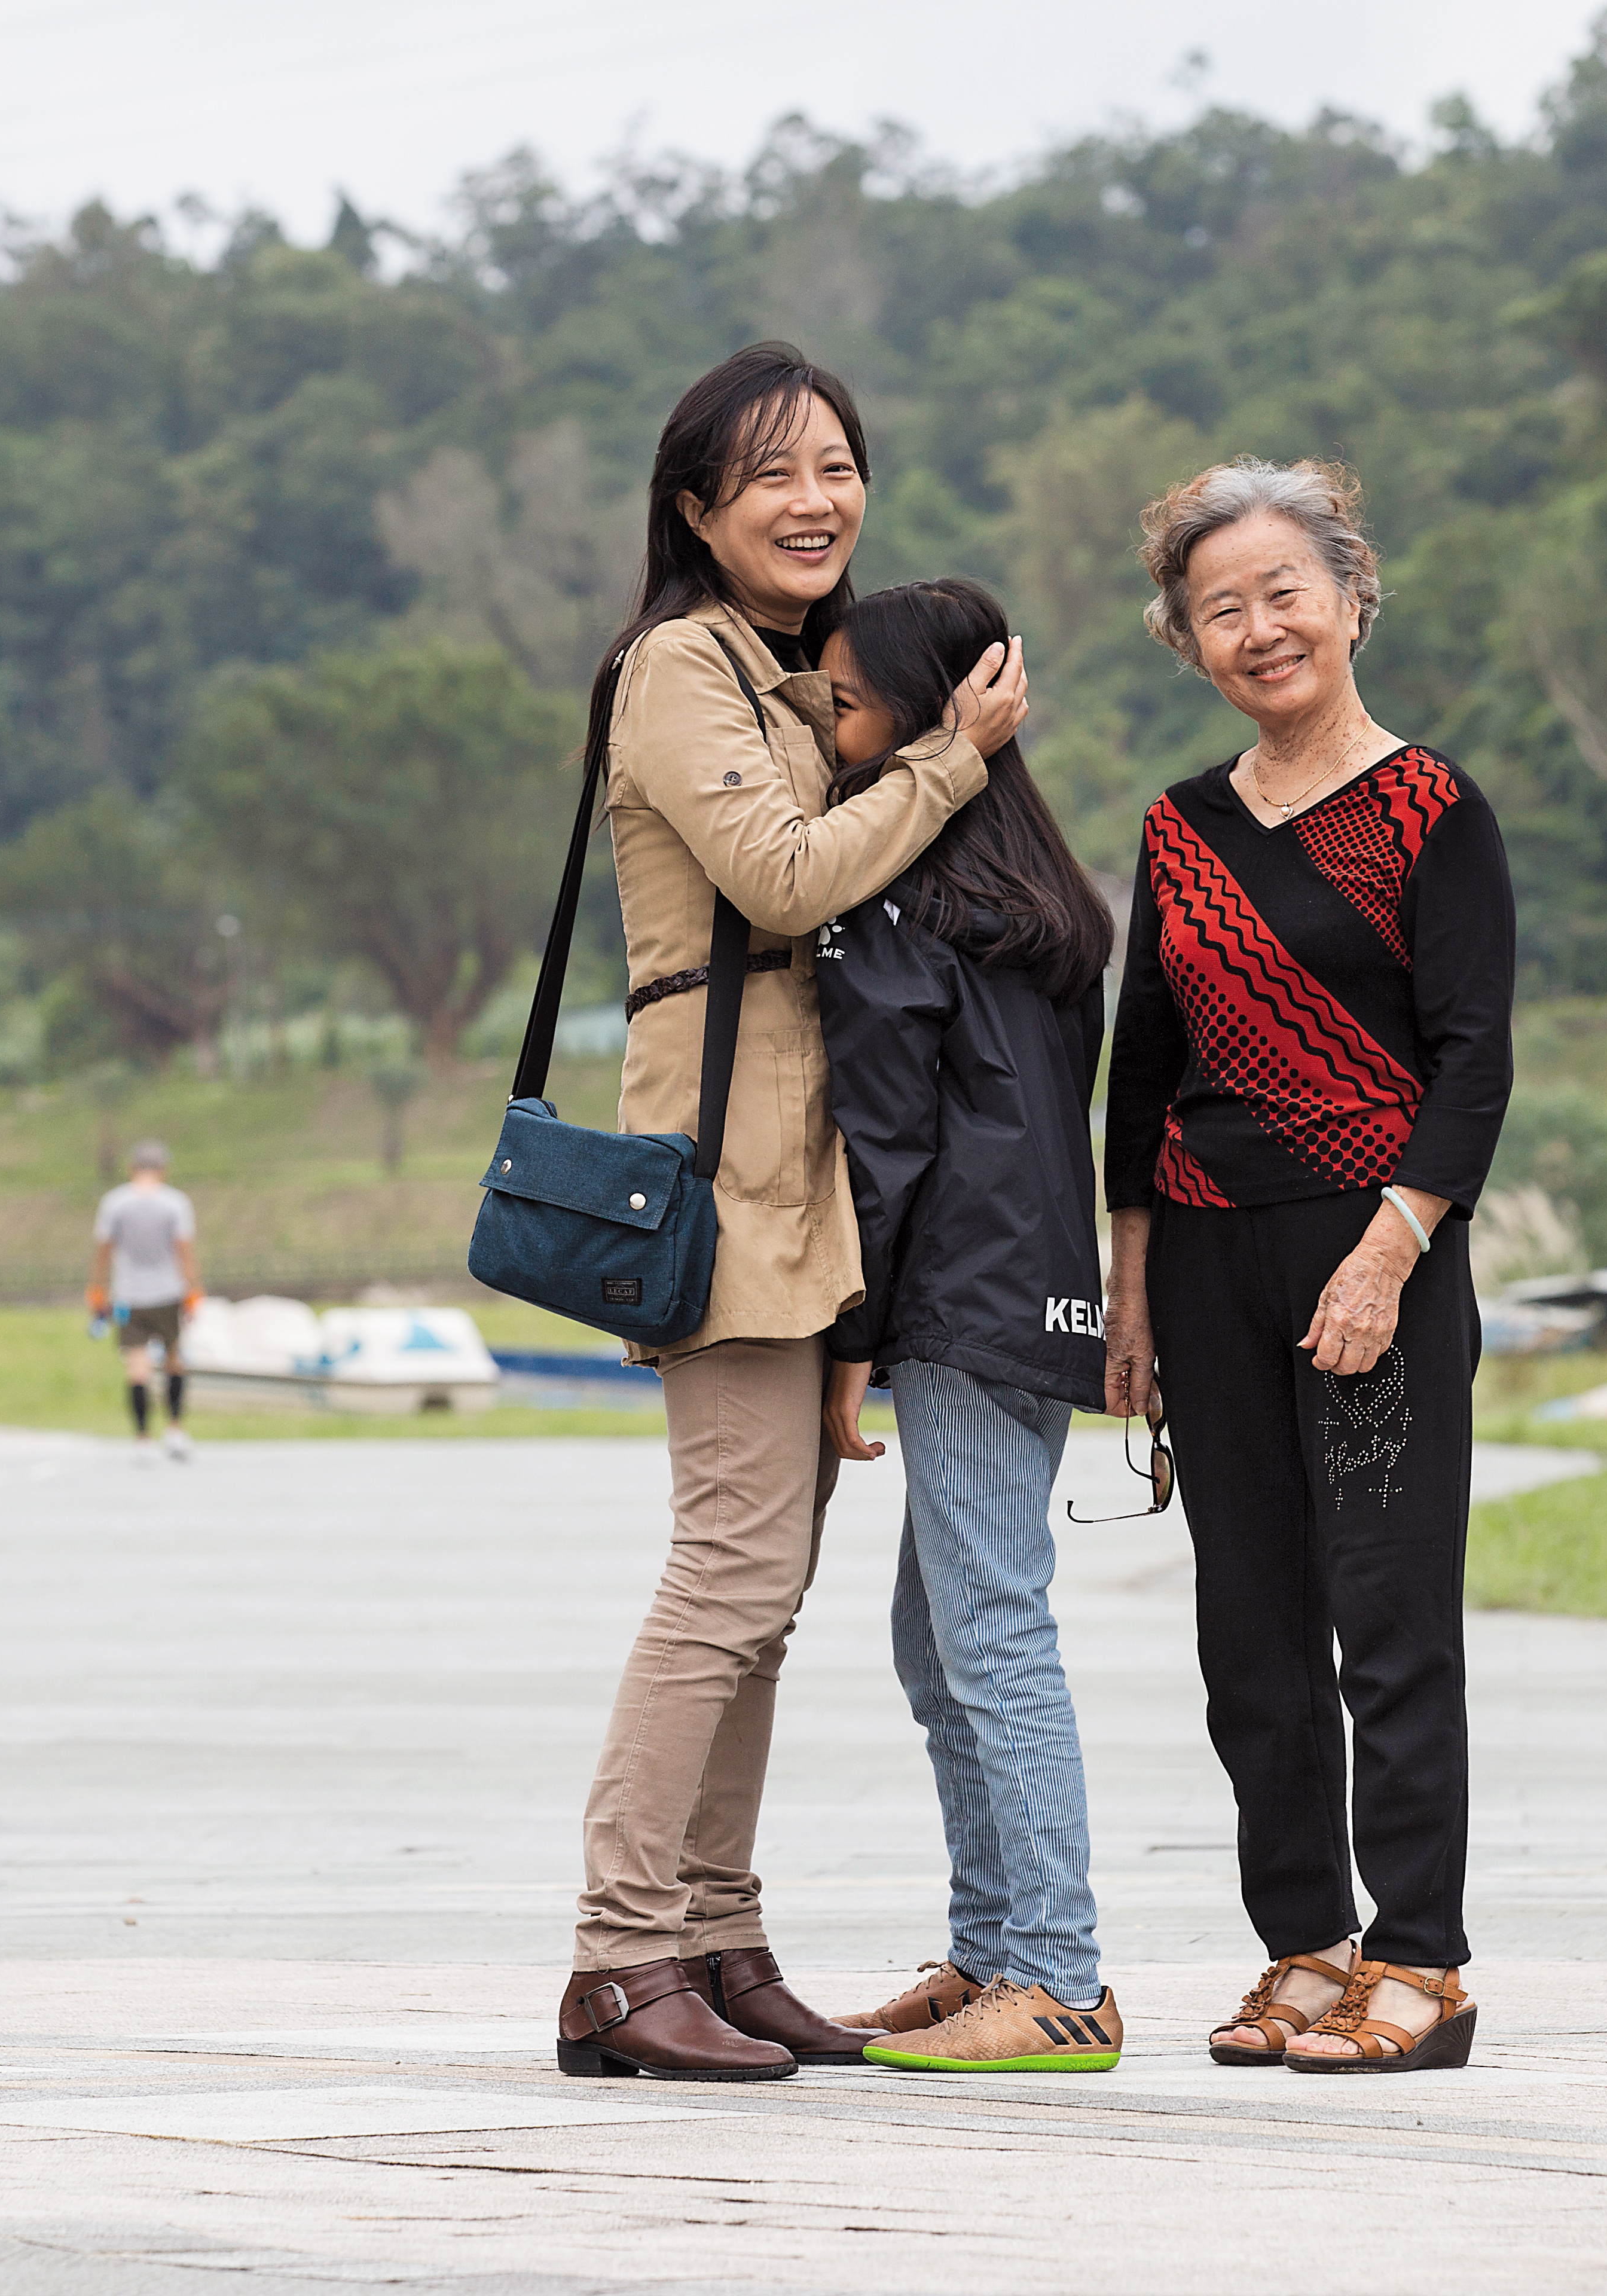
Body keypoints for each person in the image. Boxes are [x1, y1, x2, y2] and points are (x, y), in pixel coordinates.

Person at [554, 341, 1028, 2084]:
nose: (818, 498)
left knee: (773, 1579)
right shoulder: (680, 664)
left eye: (838, 464)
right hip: (722, 1156)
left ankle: (714, 1929)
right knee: (730, 1568)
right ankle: (618, 1954)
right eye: (774, 473)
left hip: (807, 1168)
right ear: (698, 506)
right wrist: (951, 759)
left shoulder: (778, 669)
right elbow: (779, 875)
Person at [1098, 457, 1514, 2074]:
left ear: (1349, 598)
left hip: (1380, 1251)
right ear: (1189, 640)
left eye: (1285, 593)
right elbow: (1140, 1066)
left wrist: (1390, 1254)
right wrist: (1130, 1282)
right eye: (1222, 609)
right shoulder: (1179, 825)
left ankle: (1422, 1960)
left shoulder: (1433, 807)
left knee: (1388, 1606)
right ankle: (1302, 1947)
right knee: (1249, 1622)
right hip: (1206, 1253)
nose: (1259, 628)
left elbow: (1471, 1065)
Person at [804, 578, 1125, 2072]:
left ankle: (1055, 1974)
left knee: (988, 1629)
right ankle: (991, 1949)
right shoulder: (1041, 907)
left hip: (956, 1298)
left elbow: (883, 1137)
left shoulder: (895, 903)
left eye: (849, 703)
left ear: (934, 721)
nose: (827, 725)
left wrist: (844, 1337)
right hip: (1033, 1291)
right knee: (939, 1641)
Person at [89, 1143, 201, 1464]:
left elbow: (103, 1250)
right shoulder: (175, 1203)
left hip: (129, 1295)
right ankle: (176, 1430)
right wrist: (193, 1290)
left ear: (131, 1167)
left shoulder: (114, 1203)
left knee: (137, 1368)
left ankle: (142, 1439)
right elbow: (184, 1250)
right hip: (168, 1293)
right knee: (174, 1361)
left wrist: (97, 1289)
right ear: (163, 1169)